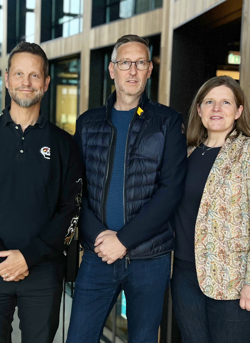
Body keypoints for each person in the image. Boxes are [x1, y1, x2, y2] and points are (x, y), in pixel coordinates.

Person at [0, 42, 84, 343]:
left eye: (35, 75)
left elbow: (70, 210)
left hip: (43, 270)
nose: (26, 82)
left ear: (46, 83)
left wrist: (29, 256)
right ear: (7, 78)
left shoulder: (65, 145)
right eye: (19, 74)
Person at [67, 34, 187, 343]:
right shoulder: (87, 123)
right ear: (111, 69)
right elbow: (75, 189)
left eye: (140, 63)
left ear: (149, 70)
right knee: (79, 337)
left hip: (150, 258)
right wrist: (97, 237)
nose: (132, 71)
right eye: (125, 63)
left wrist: (124, 239)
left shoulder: (168, 122)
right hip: (98, 255)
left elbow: (171, 190)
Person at [171, 75, 250, 343]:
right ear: (199, 110)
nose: (217, 109)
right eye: (209, 102)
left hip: (236, 280)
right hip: (186, 275)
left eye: (225, 102)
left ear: (239, 111)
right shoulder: (186, 155)